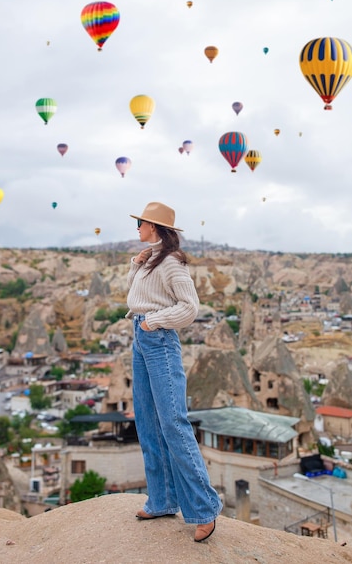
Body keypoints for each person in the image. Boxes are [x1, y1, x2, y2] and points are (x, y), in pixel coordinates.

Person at [126, 201, 223, 542]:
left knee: (173, 422)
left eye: (141, 222)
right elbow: (136, 297)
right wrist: (135, 265)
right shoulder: (150, 258)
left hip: (159, 340)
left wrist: (154, 321)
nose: (137, 226)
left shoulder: (171, 262)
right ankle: (163, 500)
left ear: (155, 227)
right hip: (140, 338)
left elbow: (189, 307)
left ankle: (204, 508)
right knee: (148, 422)